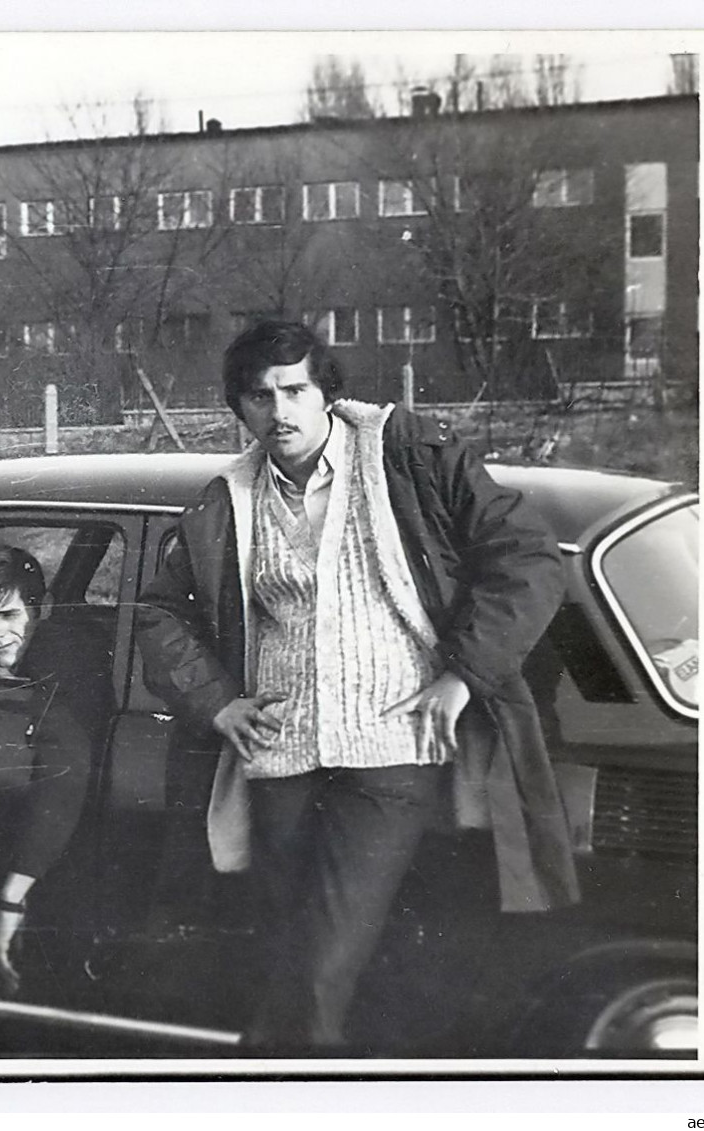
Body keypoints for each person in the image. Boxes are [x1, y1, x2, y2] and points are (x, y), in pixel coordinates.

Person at [135, 318, 578, 1051]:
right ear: (238, 407)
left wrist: (462, 675)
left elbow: (527, 559)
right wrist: (217, 704)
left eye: (294, 389)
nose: (278, 411)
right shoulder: (228, 498)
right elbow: (156, 611)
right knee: (288, 954)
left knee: (322, 956)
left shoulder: (404, 454)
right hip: (277, 760)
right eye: (258, 395)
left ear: (326, 393)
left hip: (389, 753)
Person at [0, 544, 115, 995]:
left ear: (38, 611)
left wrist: (10, 898)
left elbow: (66, 770)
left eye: (8, 615)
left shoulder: (65, 662)